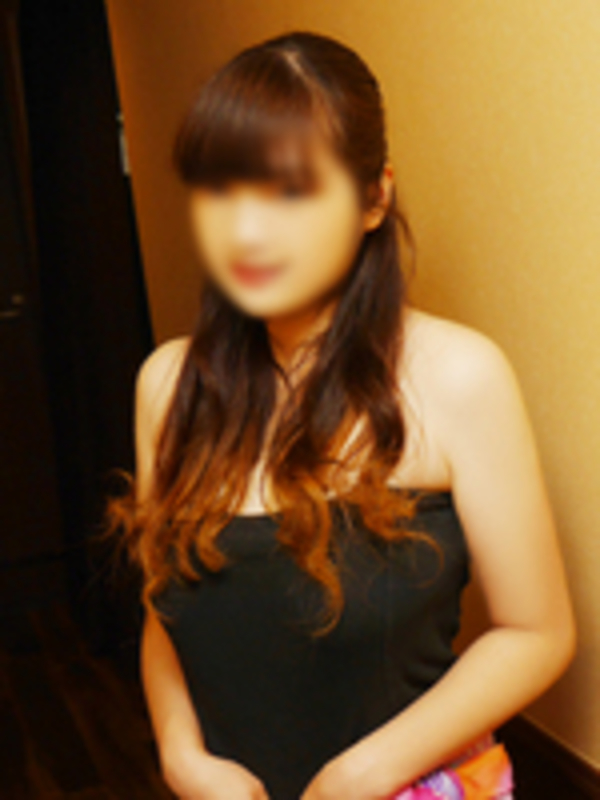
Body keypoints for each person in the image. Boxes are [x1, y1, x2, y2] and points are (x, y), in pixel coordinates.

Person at [103, 30, 576, 800]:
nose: (246, 231)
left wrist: (359, 776)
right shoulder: (169, 384)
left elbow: (537, 632)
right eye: (221, 191)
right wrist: (182, 758)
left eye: (290, 191)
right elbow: (168, 605)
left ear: (374, 197)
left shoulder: (458, 376)